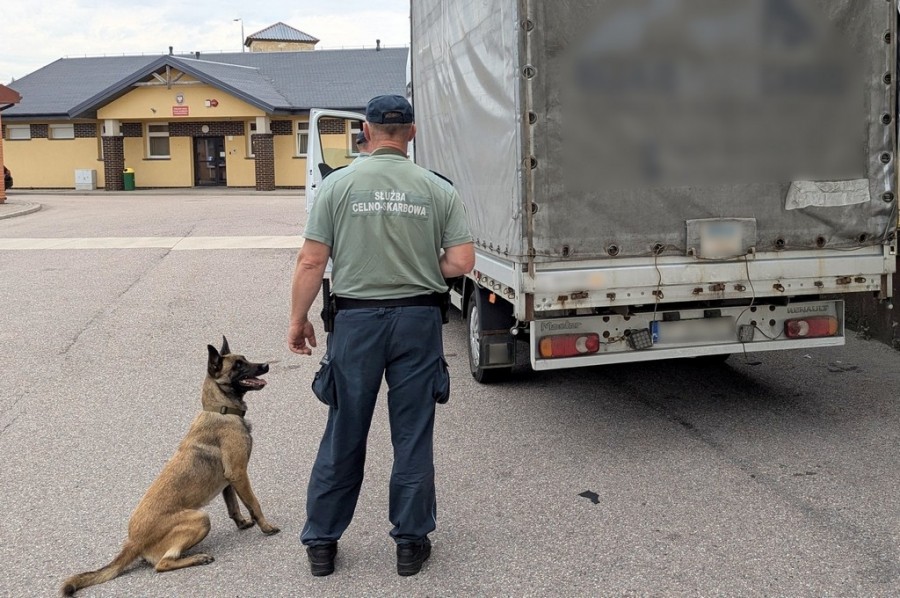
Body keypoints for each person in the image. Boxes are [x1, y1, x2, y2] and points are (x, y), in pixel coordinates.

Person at [288, 94, 475, 578]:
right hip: (418, 323)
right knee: (412, 435)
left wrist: (298, 319)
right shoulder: (438, 189)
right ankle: (410, 545)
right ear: (412, 133)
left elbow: (312, 261)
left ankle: (322, 545)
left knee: (344, 431)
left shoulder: (338, 186)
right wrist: (417, 268)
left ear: (365, 133)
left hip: (356, 324)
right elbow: (461, 262)